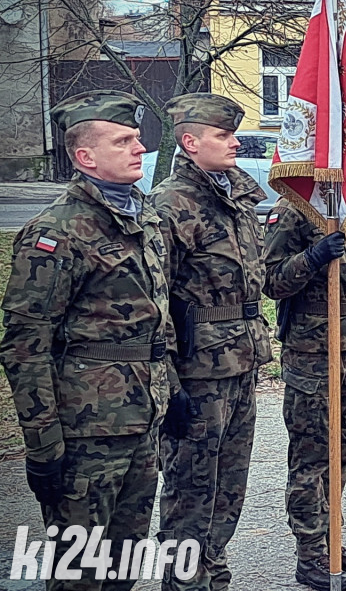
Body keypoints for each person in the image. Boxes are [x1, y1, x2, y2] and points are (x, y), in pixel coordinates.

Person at [0, 90, 172, 591]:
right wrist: (43, 444)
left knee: (124, 566)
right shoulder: (56, 231)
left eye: (138, 138)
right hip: (85, 432)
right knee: (78, 573)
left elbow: (155, 319)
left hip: (142, 418)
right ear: (85, 157)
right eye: (123, 141)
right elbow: (24, 344)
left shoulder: (144, 217)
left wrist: (171, 391)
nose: (140, 148)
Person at [150, 93, 273, 591]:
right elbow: (157, 301)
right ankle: (183, 581)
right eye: (223, 135)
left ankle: (213, 569)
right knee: (190, 485)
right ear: (190, 141)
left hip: (241, 358)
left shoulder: (237, 197)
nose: (234, 141)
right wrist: (168, 383)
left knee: (230, 482)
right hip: (196, 368)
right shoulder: (170, 205)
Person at [263, 188, 346, 589]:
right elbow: (272, 281)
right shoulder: (292, 210)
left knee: (342, 453)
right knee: (312, 457)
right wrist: (312, 258)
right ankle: (311, 553)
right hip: (314, 351)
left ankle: (333, 539)